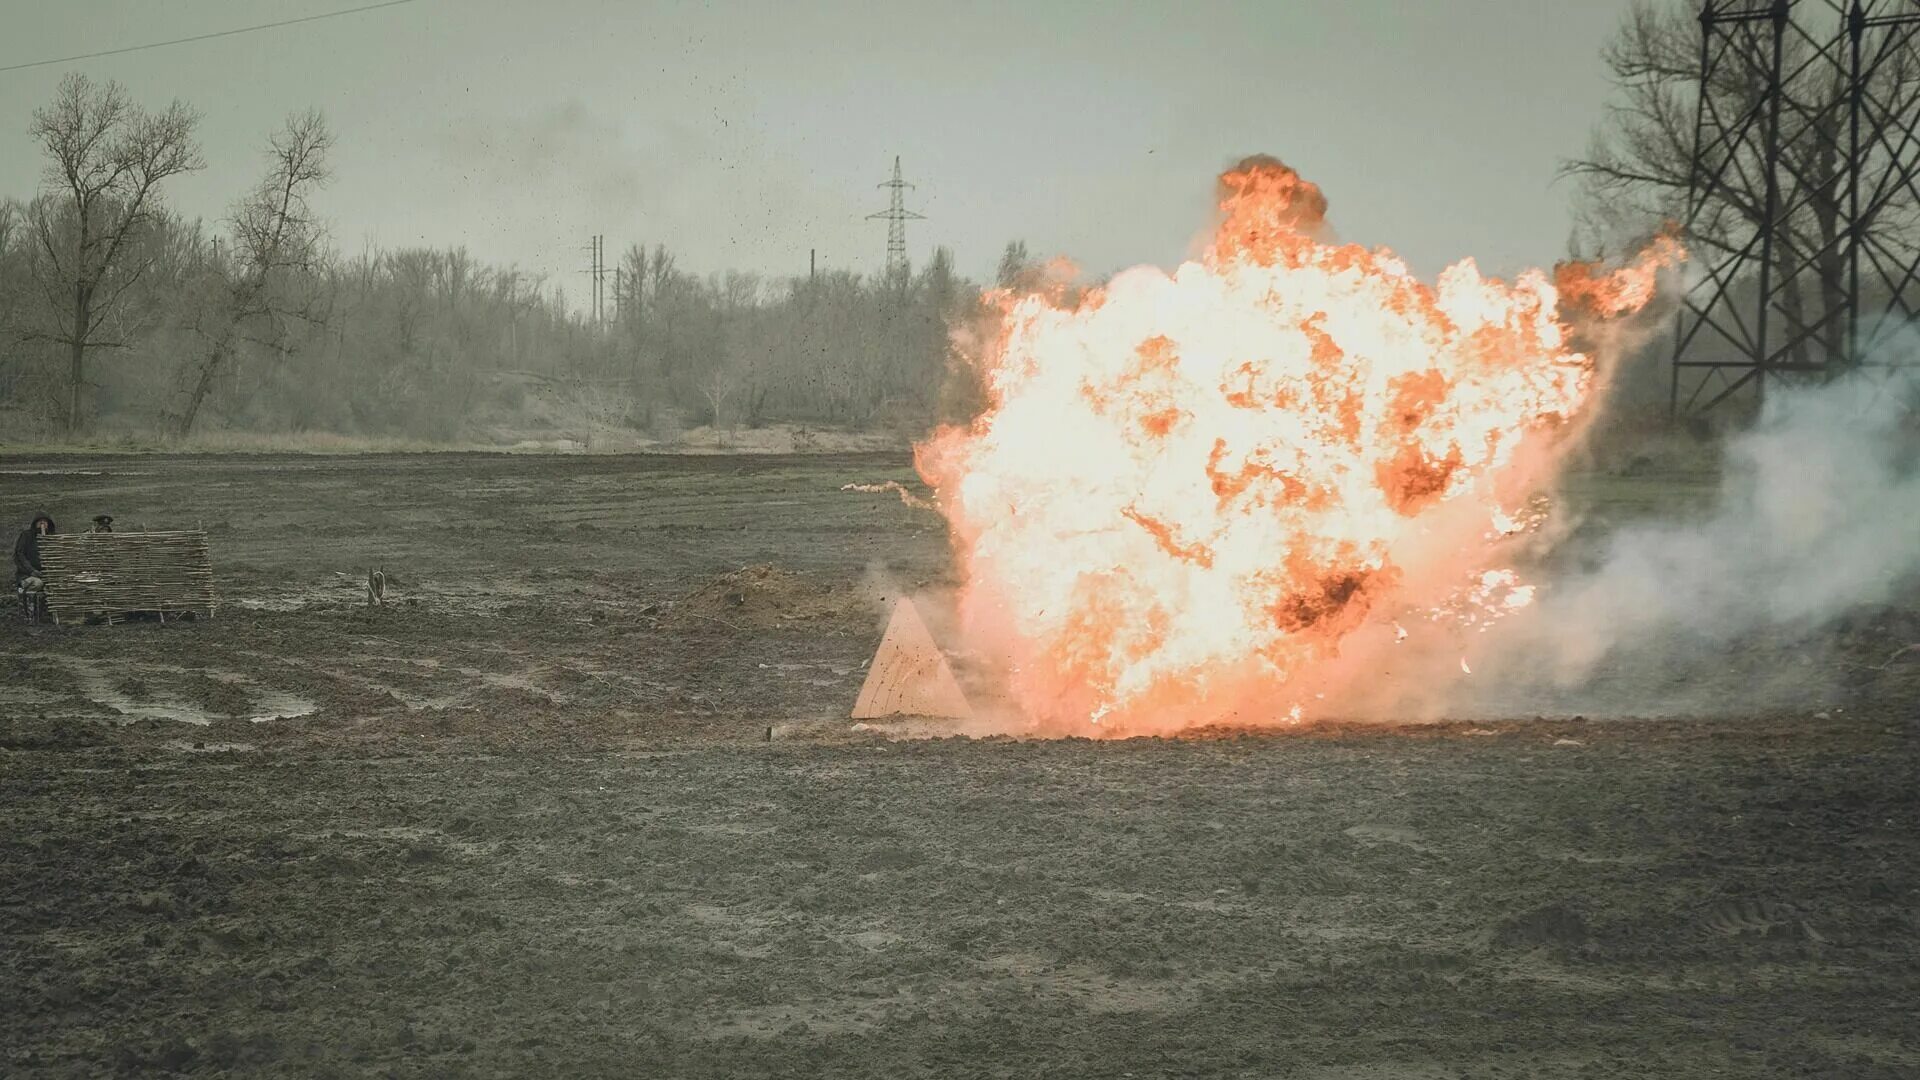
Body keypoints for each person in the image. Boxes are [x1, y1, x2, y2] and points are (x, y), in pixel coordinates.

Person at [13, 512, 55, 623]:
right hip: (26, 574)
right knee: (37, 584)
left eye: (45, 522)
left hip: (45, 574)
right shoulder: (27, 536)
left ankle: (46, 614)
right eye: (39, 521)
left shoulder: (51, 538)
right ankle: (28, 613)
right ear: (35, 523)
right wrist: (31, 570)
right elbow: (19, 554)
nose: (42, 524)